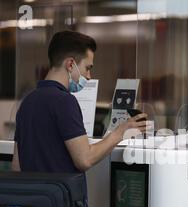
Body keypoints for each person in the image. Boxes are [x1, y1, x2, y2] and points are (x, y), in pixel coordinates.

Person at [12, 30, 147, 173]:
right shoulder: (64, 101)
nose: (89, 76)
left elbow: (16, 165)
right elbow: (85, 159)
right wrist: (121, 131)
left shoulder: (27, 102)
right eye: (87, 68)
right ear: (70, 64)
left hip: (32, 194)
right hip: (61, 195)